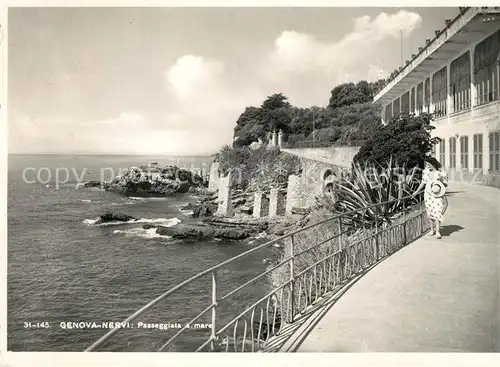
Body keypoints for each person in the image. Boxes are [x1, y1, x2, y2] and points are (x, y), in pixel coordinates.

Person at [413, 157, 448, 239]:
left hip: (438, 194)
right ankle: (432, 230)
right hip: (428, 194)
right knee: (430, 212)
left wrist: (441, 181)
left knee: (438, 211)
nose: (427, 166)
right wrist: (416, 192)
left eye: (429, 164)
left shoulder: (440, 172)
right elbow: (423, 183)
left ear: (433, 164)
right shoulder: (426, 172)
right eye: (427, 164)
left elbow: (445, 184)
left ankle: (438, 231)